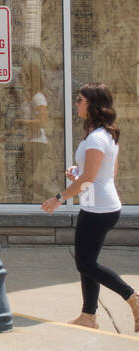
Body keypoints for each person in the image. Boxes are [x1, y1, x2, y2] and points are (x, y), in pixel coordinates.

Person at [41, 83, 138, 330]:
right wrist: (80, 174)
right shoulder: (104, 134)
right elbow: (106, 173)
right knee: (88, 261)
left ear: (93, 104)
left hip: (99, 209)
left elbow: (89, 179)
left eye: (80, 100)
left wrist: (59, 198)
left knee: (85, 263)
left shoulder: (97, 138)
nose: (76, 104)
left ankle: (132, 297)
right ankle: (88, 316)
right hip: (100, 205)